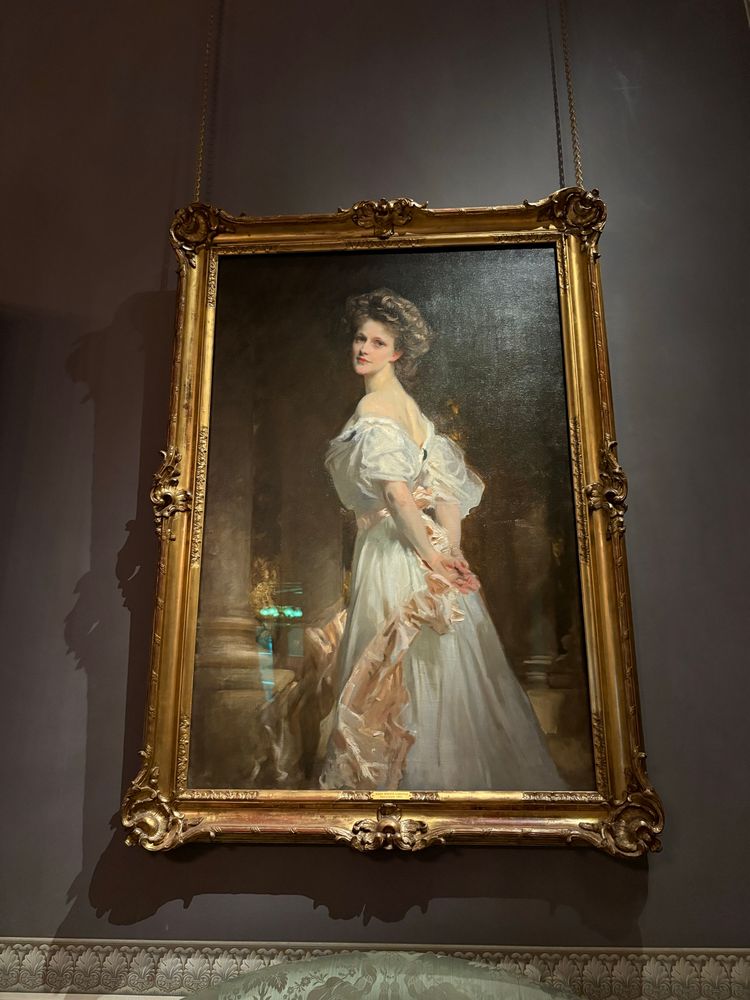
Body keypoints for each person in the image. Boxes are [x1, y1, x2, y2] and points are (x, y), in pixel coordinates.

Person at [317, 289, 565, 791]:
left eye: (377, 341)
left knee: (400, 663)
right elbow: (446, 496)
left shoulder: (375, 406)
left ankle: (407, 784)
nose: (362, 348)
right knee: (435, 664)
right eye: (359, 338)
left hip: (395, 550)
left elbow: (396, 494)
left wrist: (433, 557)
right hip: (421, 544)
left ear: (398, 353)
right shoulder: (416, 414)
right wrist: (449, 550)